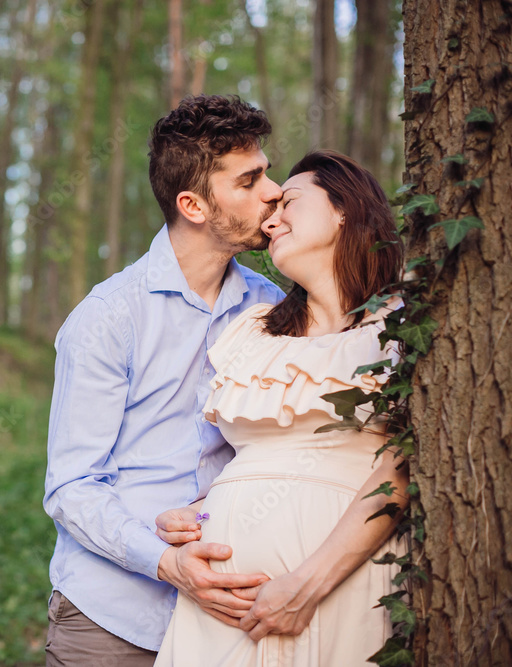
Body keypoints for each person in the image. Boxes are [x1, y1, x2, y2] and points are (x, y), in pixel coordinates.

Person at [43, 95, 285, 666]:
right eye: (249, 181)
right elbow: (71, 487)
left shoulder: (272, 306)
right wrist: (163, 558)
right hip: (111, 619)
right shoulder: (107, 318)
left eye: (267, 173)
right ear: (193, 205)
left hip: (229, 620)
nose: (273, 191)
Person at [153, 150, 409, 666]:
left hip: (337, 589)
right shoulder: (252, 330)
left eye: (289, 202)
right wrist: (197, 509)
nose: (270, 220)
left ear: (345, 209)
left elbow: (402, 467)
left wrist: (306, 586)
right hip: (220, 608)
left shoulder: (404, 324)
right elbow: (247, 459)